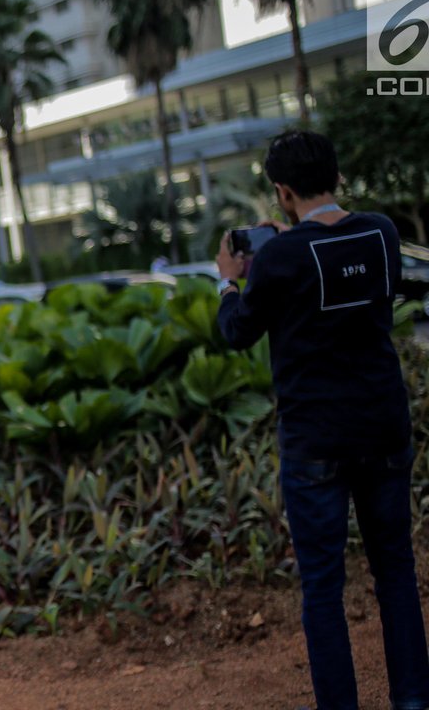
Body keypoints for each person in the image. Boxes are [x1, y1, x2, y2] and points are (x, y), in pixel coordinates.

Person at [216, 130, 429, 710]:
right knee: (396, 575)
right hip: (383, 427)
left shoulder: (280, 257)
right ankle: (413, 700)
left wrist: (228, 279)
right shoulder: (381, 232)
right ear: (337, 178)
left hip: (316, 443)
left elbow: (237, 331)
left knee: (324, 590)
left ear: (282, 194)